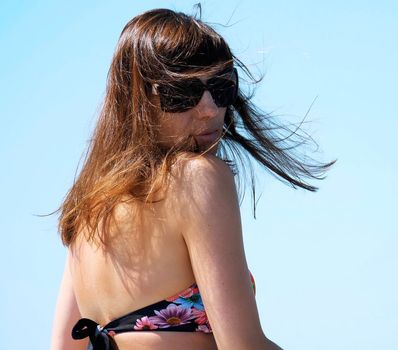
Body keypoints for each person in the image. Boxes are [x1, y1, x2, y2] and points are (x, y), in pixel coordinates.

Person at [50, 6, 335, 350]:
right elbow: (243, 345)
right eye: (182, 94)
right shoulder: (197, 177)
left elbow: (63, 347)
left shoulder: (87, 208)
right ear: (138, 99)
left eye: (221, 88)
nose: (210, 108)